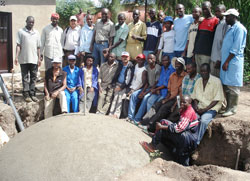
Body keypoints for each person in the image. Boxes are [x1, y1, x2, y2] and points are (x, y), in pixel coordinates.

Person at [140, 95, 200, 166]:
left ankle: (152, 146)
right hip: (186, 136)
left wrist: (162, 127)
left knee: (182, 161)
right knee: (164, 122)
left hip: (188, 139)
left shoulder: (188, 112)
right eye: (181, 102)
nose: (182, 104)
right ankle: (155, 141)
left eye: (184, 102)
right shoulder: (184, 109)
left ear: (189, 104)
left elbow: (179, 129)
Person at [144, 57, 187, 132]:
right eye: (176, 63)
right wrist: (166, 99)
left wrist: (167, 100)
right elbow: (169, 90)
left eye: (178, 63)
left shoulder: (185, 77)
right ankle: (144, 122)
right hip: (170, 97)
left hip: (177, 99)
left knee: (163, 108)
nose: (176, 65)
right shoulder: (172, 75)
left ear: (182, 65)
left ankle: (150, 127)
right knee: (156, 105)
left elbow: (179, 93)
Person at [220, 9, 247, 117]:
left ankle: (232, 108)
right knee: (227, 83)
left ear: (233, 17)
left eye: (227, 17)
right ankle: (228, 107)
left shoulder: (239, 29)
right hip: (227, 60)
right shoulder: (231, 28)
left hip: (233, 61)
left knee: (233, 85)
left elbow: (235, 48)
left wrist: (226, 62)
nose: (225, 18)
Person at [191, 63, 224, 144]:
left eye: (205, 71)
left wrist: (205, 109)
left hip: (211, 108)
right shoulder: (198, 81)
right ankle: (190, 138)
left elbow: (217, 99)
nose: (203, 73)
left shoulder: (216, 81)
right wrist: (196, 107)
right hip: (200, 107)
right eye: (202, 71)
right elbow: (194, 96)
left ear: (209, 71)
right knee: (193, 118)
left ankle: (197, 142)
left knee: (204, 120)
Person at [128, 54, 161, 124]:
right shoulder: (147, 67)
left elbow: (155, 83)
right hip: (147, 88)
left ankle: (137, 118)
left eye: (151, 58)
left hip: (154, 89)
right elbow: (146, 83)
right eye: (148, 58)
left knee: (145, 98)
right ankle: (130, 117)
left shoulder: (158, 68)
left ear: (155, 59)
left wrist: (144, 93)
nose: (149, 60)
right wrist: (142, 91)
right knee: (134, 94)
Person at [14, 16, 41, 102]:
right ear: (26, 21)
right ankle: (26, 94)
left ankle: (32, 94)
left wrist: (39, 58)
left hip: (34, 59)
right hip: (24, 59)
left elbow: (38, 47)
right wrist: (16, 57)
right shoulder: (21, 32)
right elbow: (18, 46)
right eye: (30, 22)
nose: (31, 24)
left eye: (33, 22)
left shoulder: (36, 33)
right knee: (25, 77)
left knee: (33, 77)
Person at [193, 1, 219, 73]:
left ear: (210, 8)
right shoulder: (201, 21)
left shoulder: (216, 20)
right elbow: (197, 37)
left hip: (207, 53)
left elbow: (215, 39)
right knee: (198, 74)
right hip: (197, 52)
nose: (204, 11)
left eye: (206, 9)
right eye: (203, 9)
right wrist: (194, 51)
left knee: (205, 74)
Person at [109, 52, 134, 118]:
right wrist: (115, 84)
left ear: (129, 58)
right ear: (121, 58)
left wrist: (121, 87)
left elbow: (128, 80)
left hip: (125, 85)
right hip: (117, 83)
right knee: (115, 97)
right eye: (123, 57)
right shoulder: (120, 64)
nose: (125, 58)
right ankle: (111, 112)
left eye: (126, 57)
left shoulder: (130, 66)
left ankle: (117, 114)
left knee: (120, 98)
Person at [210, 5, 229, 77]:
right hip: (213, 57)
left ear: (224, 11)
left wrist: (220, 59)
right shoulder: (218, 23)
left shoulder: (226, 24)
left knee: (218, 80)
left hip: (218, 59)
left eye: (219, 11)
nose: (216, 13)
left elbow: (225, 43)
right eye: (216, 11)